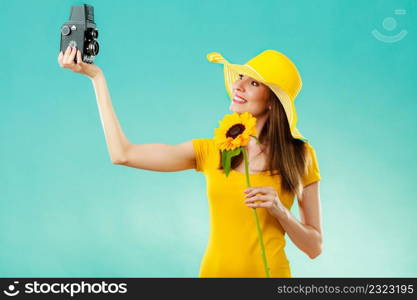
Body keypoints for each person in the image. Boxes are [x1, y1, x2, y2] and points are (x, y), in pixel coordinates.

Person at [57, 47, 322, 278]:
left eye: (254, 83)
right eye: (241, 77)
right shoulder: (210, 151)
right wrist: (96, 78)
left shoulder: (301, 156)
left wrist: (281, 211)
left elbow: (314, 247)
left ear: (274, 102)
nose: (238, 86)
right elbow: (122, 154)